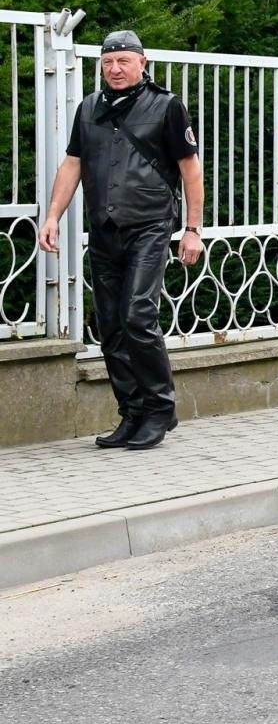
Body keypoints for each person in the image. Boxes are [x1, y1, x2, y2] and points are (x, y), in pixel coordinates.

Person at [37, 31, 205, 450]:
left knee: (137, 315)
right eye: (108, 62)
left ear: (142, 63)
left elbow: (190, 169)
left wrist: (192, 229)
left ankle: (159, 410)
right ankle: (131, 413)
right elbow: (73, 163)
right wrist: (53, 216)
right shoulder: (89, 107)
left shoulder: (166, 106)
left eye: (123, 61)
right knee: (110, 324)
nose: (115, 69)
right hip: (104, 229)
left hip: (149, 225)